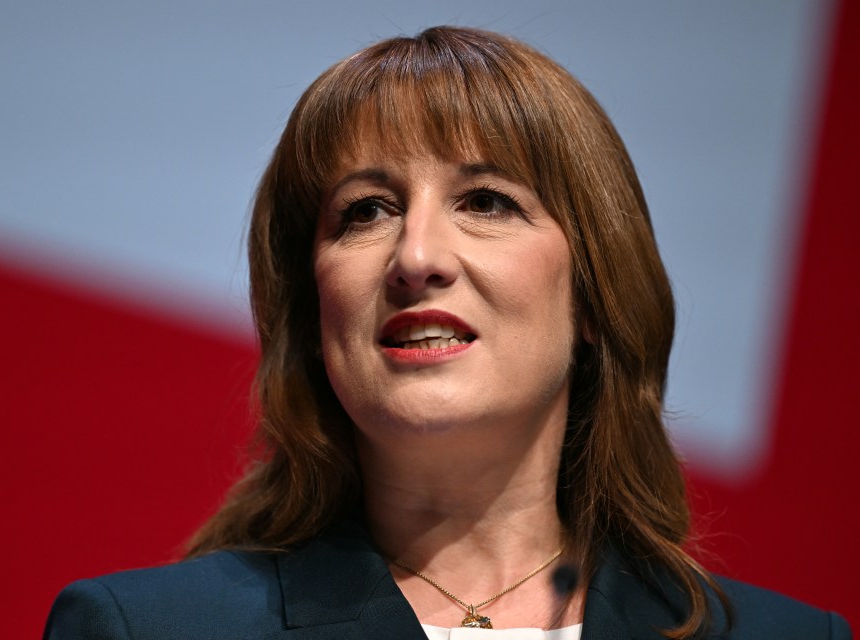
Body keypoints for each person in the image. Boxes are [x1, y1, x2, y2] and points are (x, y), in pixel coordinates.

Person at [44, 26, 851, 640]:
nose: (417, 256)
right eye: (366, 211)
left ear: (598, 297)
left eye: (487, 202)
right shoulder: (146, 630)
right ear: (312, 311)